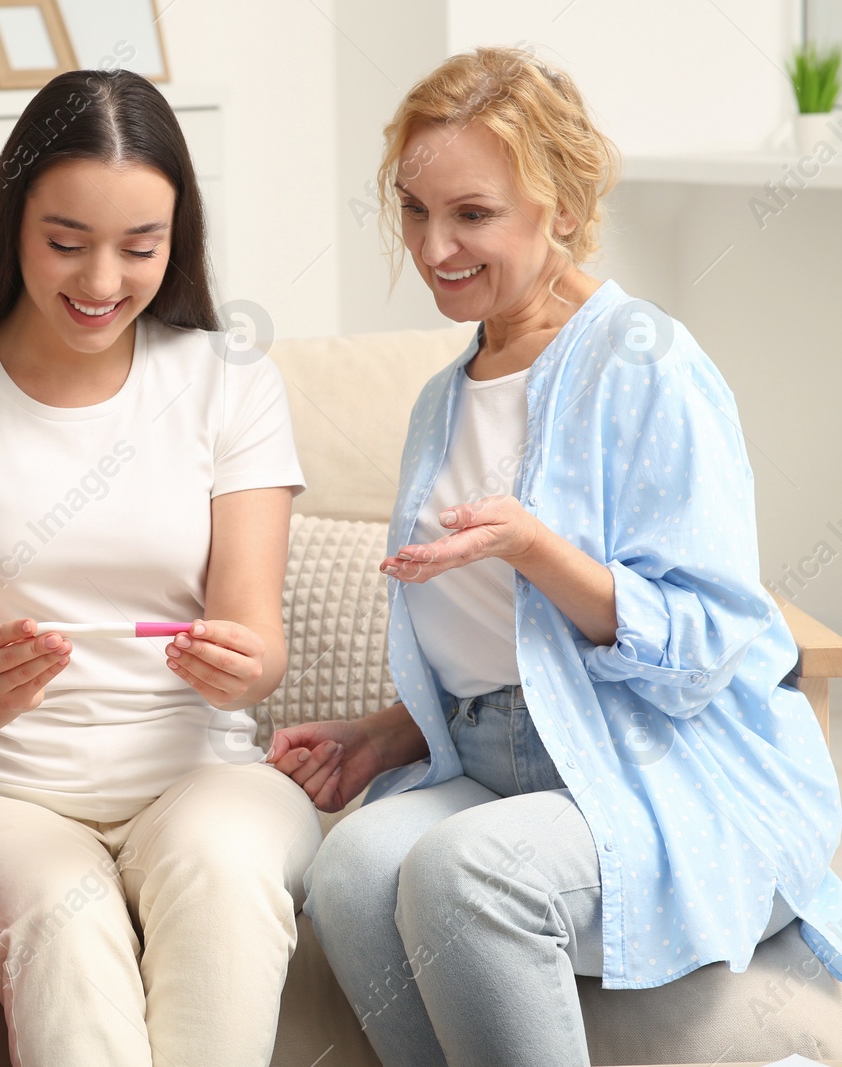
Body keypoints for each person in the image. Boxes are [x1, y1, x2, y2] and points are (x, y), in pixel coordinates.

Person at [267, 46, 842, 1066]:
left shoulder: (647, 364)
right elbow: (503, 651)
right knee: (352, 868)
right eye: (412, 209)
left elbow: (709, 645)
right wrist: (383, 735)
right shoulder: (443, 399)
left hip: (664, 770)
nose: (433, 245)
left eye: (471, 214)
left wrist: (539, 549)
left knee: (467, 874)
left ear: (562, 209)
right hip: (497, 761)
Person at [0, 68, 320, 1067]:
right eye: (66, 243)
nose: (101, 282)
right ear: (11, 222)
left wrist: (245, 663)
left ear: (175, 240)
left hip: (200, 772)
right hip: (6, 792)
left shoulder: (228, 382)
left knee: (225, 873)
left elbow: (256, 637)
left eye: (139, 248)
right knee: (65, 935)